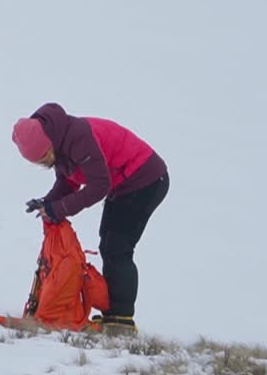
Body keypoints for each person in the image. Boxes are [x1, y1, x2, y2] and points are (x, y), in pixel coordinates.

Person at [12, 103, 169, 336]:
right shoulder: (60, 140)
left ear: (49, 144)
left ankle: (121, 321)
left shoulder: (78, 138)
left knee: (117, 247)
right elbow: (68, 182)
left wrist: (59, 209)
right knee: (109, 244)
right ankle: (114, 317)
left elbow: (99, 186)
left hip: (146, 180)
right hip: (123, 185)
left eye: (44, 157)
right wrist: (47, 203)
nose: (44, 163)